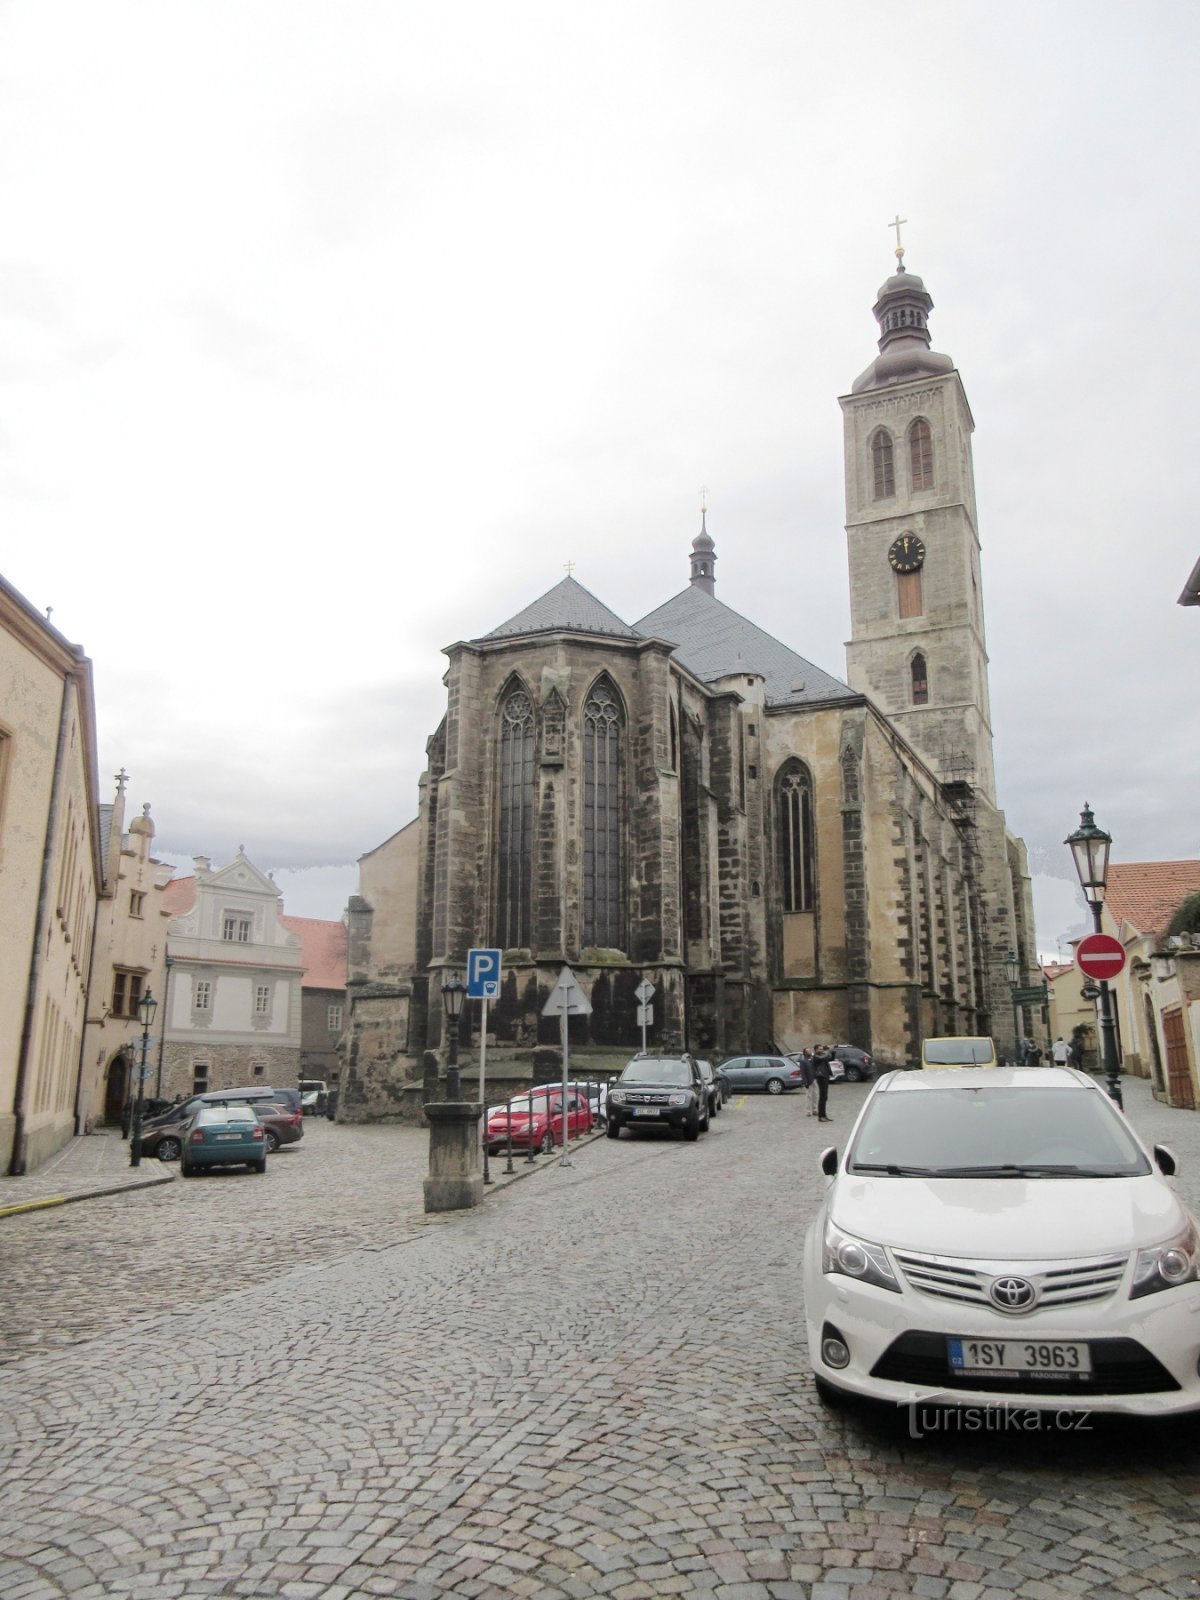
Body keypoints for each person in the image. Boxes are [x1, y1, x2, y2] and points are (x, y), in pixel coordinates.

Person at [812, 1046, 832, 1122]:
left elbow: (830, 1058)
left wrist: (832, 1052)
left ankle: (824, 1115)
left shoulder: (823, 1056)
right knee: (822, 1097)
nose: (821, 1050)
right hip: (821, 1077)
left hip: (825, 1076)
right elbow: (822, 1058)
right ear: (816, 1050)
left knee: (825, 1097)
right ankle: (820, 1116)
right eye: (820, 1049)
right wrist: (828, 1051)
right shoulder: (816, 1056)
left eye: (822, 1049)